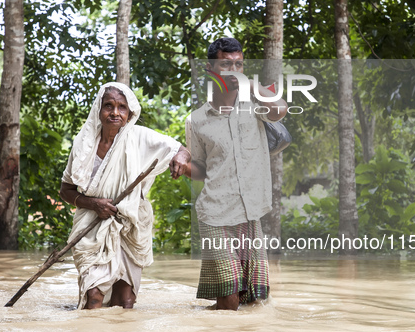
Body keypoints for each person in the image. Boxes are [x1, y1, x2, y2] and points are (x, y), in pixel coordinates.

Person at [59, 82, 190, 310]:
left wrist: (181, 157)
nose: (115, 113)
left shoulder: (139, 137)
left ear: (130, 114)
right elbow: (65, 191)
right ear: (98, 110)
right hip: (92, 227)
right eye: (108, 106)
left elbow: (181, 149)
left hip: (129, 226)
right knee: (93, 296)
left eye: (122, 107)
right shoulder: (83, 144)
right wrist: (94, 203)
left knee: (125, 302)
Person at [185, 37, 287, 310]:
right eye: (225, 64)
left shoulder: (255, 108)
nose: (232, 70)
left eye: (238, 65)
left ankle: (208, 324)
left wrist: (252, 85)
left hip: (250, 212)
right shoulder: (196, 119)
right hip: (215, 214)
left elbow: (280, 110)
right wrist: (183, 167)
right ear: (210, 68)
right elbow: (200, 168)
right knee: (229, 298)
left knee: (255, 300)